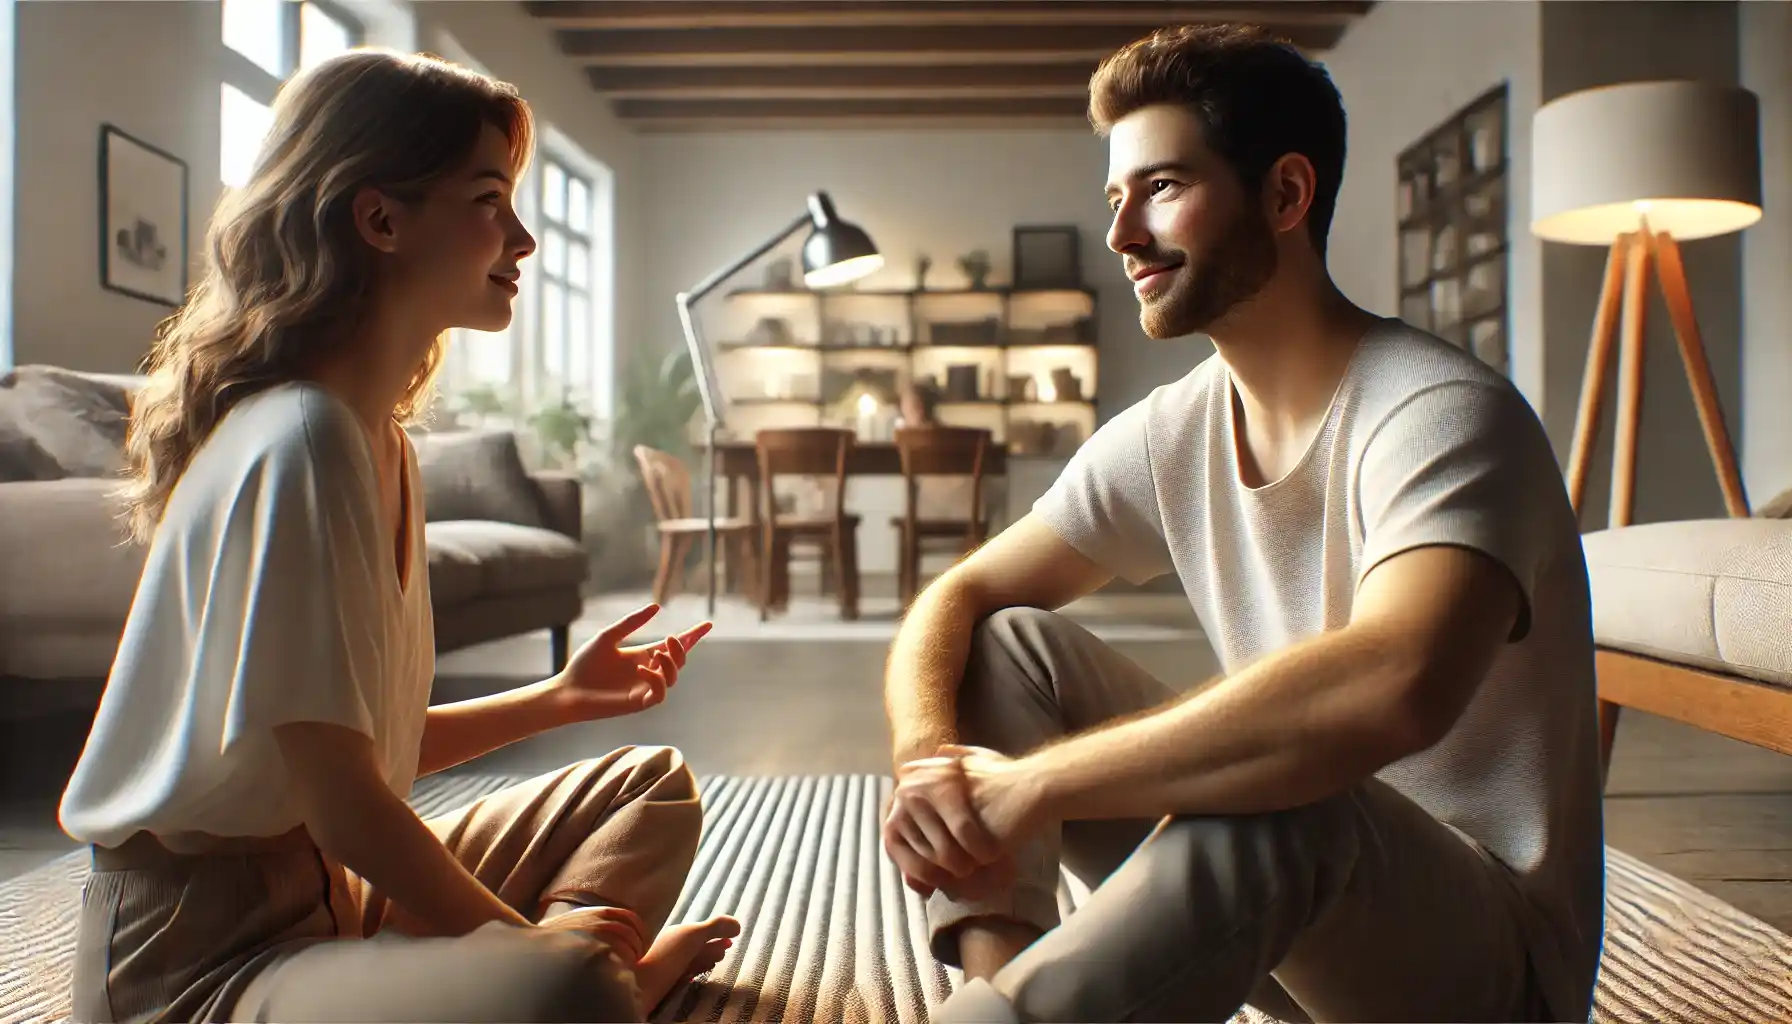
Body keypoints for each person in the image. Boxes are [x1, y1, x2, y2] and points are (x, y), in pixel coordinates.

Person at [880, 24, 1603, 1024]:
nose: (1122, 233)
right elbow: (956, 596)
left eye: (1163, 188)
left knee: (1296, 790)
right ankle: (999, 995)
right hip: (1299, 933)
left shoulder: (1439, 411)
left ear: (1285, 195)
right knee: (1005, 645)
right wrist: (934, 766)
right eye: (1115, 197)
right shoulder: (1174, 428)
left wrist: (1035, 786)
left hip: (1486, 971)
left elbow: (1396, 686)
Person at [58, 49, 738, 1024]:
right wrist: (533, 942)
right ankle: (608, 981)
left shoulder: (377, 442)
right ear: (379, 219)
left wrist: (559, 697)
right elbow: (347, 804)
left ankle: (559, 979)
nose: (524, 239)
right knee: (567, 986)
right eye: (488, 201)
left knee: (650, 783)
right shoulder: (301, 439)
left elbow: (352, 753)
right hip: (198, 966)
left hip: (335, 893)